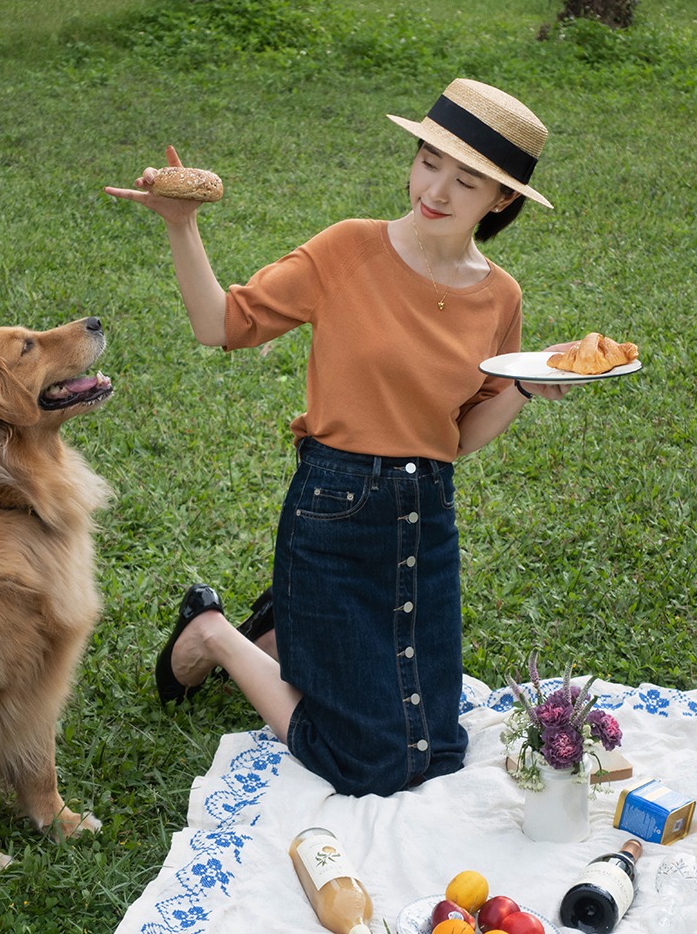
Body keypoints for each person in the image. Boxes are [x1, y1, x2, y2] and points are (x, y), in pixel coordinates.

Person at [105, 77, 570, 798]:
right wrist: (180, 225)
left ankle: (278, 633)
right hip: (334, 506)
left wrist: (522, 387)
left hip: (427, 516)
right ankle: (215, 633)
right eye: (428, 161)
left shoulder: (500, 295)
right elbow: (221, 326)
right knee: (366, 763)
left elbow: (461, 436)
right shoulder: (348, 249)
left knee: (433, 749)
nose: (437, 189)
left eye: (466, 180)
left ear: (500, 199)